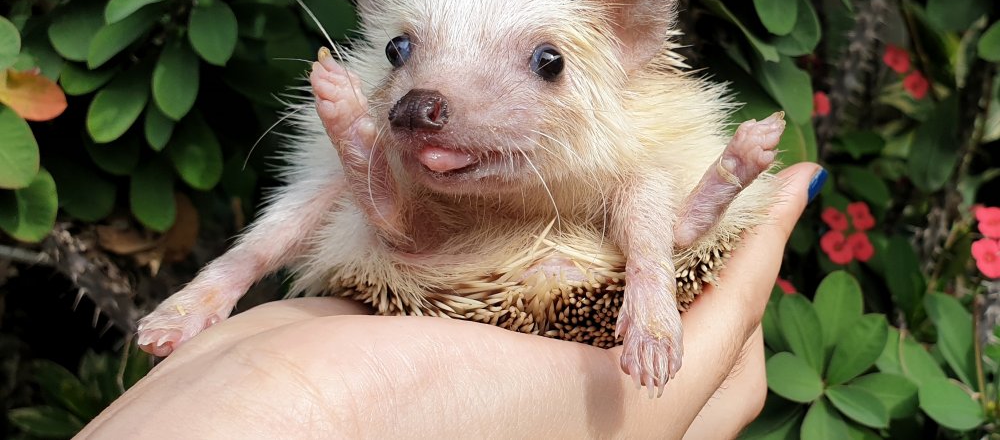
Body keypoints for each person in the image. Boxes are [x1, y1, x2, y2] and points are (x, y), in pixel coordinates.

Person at [77, 163, 824, 439]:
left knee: (645, 208)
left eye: (544, 62)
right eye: (404, 51)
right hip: (423, 264)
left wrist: (651, 284)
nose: (430, 97)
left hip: (565, 264)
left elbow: (639, 182)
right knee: (363, 183)